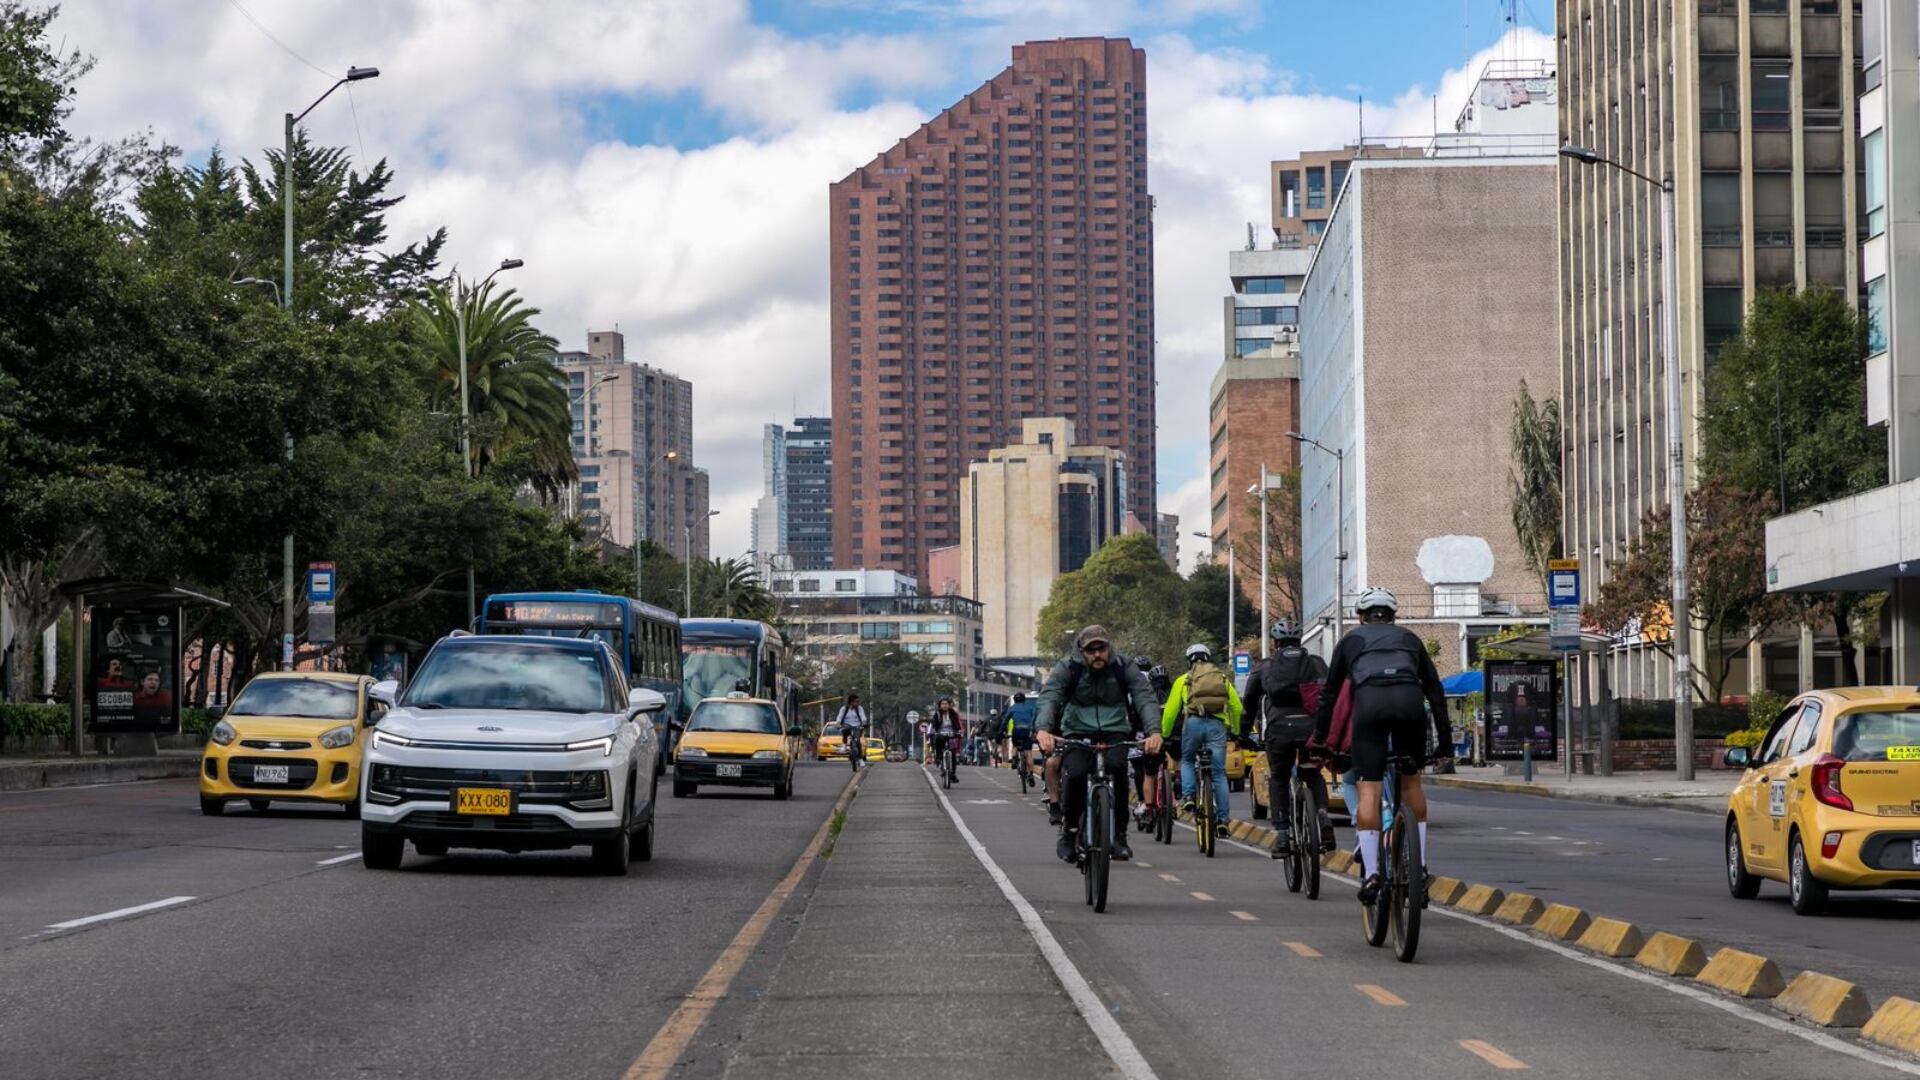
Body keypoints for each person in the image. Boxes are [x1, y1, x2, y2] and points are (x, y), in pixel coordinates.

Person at [1312, 586, 1452, 904]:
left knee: (1369, 789)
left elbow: (1329, 696)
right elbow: (1435, 691)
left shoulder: (1349, 641)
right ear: (1393, 616)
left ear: (1361, 617)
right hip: (1409, 702)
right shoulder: (1409, 639)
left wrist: (1320, 740)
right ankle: (1421, 866)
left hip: (1370, 707)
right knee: (1411, 780)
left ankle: (1373, 872)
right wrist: (1446, 744)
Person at [1035, 625, 1162, 863]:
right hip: (1077, 730)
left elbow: (1145, 697)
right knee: (1075, 774)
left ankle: (1120, 836)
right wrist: (1043, 729)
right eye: (1090, 650)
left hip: (1115, 730)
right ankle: (1070, 833)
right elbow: (1049, 697)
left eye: (1101, 648)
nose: (1096, 655)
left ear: (1109, 647)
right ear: (1081, 651)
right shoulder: (1068, 668)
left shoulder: (1124, 667)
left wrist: (1154, 731)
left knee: (1118, 769)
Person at [1243, 618, 1333, 859]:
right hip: (1311, 729)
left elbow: (1249, 703)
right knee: (1312, 773)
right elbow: (1329, 695)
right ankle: (1323, 814)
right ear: (1300, 640)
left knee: (1280, 779)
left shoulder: (1265, 666)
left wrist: (1243, 734)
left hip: (1279, 730)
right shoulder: (1315, 663)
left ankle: (1283, 837)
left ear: (1275, 642)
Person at [1161, 643, 1244, 838]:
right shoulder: (1222, 679)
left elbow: (1171, 711)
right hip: (1217, 727)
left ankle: (1189, 796)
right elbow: (1237, 707)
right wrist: (1236, 731)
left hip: (1193, 725)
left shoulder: (1184, 680)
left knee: (1188, 760)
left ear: (1189, 660)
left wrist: (1164, 734)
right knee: (1219, 774)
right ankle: (1223, 821)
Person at [928, 698, 964, 782]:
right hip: (940, 734)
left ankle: (953, 774)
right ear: (940, 706)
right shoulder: (937, 714)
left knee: (953, 755)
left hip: (951, 734)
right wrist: (933, 732)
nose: (944, 705)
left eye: (946, 704)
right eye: (942, 704)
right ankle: (938, 757)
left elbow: (958, 724)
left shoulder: (953, 713)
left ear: (949, 705)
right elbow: (933, 725)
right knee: (937, 740)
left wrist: (959, 732)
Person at [1003, 692, 1037, 773]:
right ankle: (1031, 774)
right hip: (1027, 731)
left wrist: (1002, 731)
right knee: (1028, 752)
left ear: (1014, 700)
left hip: (1017, 730)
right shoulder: (1030, 707)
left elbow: (1005, 721)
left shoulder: (1012, 708)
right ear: (1024, 700)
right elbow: (1035, 717)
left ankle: (1014, 759)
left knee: (1015, 745)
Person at [835, 693, 868, 772]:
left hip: (857, 726)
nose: (858, 703)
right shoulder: (844, 709)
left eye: (858, 702)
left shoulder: (859, 708)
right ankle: (844, 745)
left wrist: (864, 723)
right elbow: (839, 717)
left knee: (857, 741)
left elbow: (863, 716)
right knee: (845, 730)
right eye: (856, 702)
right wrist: (838, 723)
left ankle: (860, 759)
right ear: (851, 702)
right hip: (847, 726)